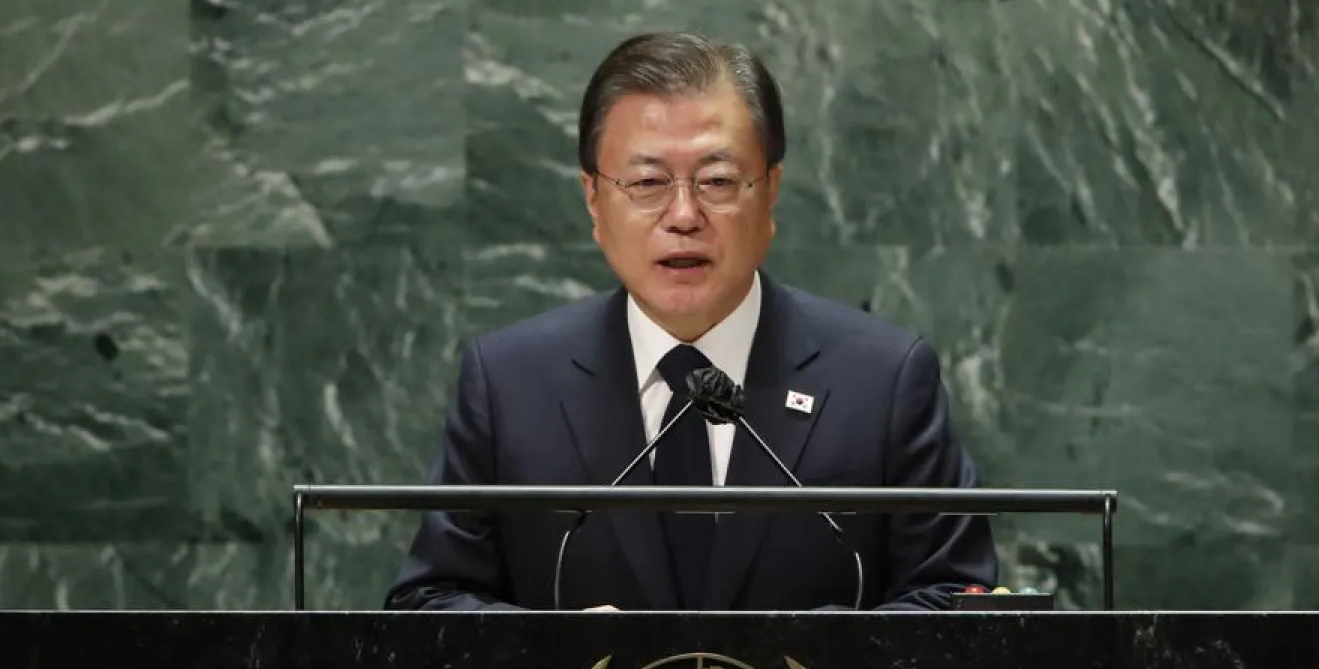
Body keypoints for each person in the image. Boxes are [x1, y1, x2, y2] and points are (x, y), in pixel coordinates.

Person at [384, 31, 996, 612]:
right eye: (647, 182)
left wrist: (821, 654)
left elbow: (958, 596)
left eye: (718, 181)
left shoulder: (882, 381)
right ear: (594, 201)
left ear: (771, 192)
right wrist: (553, 653)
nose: (683, 214)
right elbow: (431, 603)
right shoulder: (510, 384)